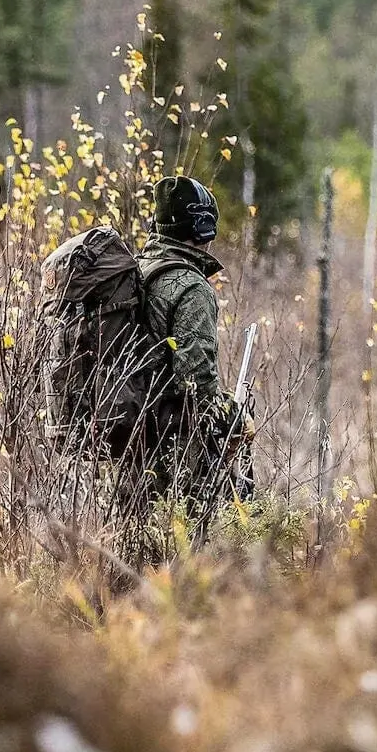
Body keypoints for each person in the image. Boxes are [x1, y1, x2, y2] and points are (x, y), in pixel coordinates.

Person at [136, 175, 248, 517]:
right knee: (188, 542)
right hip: (171, 442)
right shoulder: (192, 288)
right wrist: (232, 416)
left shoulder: (138, 269)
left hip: (125, 435)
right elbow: (195, 383)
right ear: (202, 228)